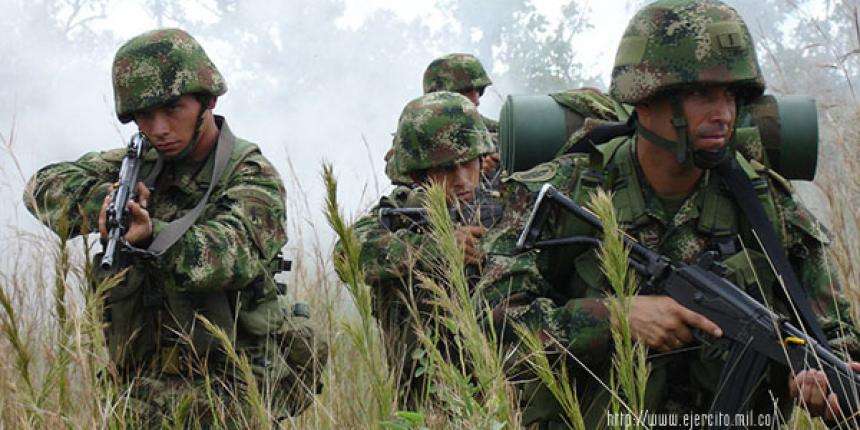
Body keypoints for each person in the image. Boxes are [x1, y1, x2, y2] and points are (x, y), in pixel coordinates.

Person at [477, 0, 860, 427]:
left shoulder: (765, 204)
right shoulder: (563, 192)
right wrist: (614, 317)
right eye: (701, 94)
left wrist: (818, 383)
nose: (723, 113)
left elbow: (837, 337)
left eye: (731, 95)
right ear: (645, 99)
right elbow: (491, 321)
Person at [23, 28, 325, 427]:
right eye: (145, 116)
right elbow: (42, 187)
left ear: (208, 100)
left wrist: (152, 233)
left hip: (227, 397)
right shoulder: (137, 160)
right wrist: (105, 202)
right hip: (138, 397)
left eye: (173, 110)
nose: (159, 128)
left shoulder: (250, 173)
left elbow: (231, 254)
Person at [341, 91, 496, 407]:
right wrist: (437, 247)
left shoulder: (509, 204)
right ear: (418, 175)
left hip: (502, 392)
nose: (462, 179)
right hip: (426, 398)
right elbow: (349, 253)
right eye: (447, 169)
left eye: (469, 163)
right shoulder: (400, 212)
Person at [422, 53, 502, 187]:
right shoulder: (418, 134)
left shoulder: (491, 128)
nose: (476, 100)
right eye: (466, 92)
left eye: (478, 90)